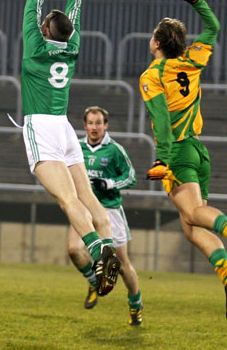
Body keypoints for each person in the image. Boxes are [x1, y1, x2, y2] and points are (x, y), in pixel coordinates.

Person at [139, 0, 227, 321]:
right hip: (198, 150)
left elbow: (161, 121)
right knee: (192, 226)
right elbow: (214, 27)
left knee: (191, 216)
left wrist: (162, 159)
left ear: (157, 44)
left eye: (152, 37)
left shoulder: (152, 75)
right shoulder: (192, 60)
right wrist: (197, 2)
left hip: (177, 153)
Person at [21, 0, 120, 296]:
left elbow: (32, 4)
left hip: (42, 127)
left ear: (45, 30)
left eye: (44, 21)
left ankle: (97, 253)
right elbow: (75, 7)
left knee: (68, 201)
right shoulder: (73, 44)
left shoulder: (35, 46)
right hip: (64, 127)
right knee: (89, 200)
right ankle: (109, 249)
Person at [67, 106, 143, 326]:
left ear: (105, 126)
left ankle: (135, 305)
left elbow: (131, 176)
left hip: (109, 210)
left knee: (121, 264)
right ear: (85, 125)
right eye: (90, 123)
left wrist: (109, 183)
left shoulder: (114, 150)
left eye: (98, 123)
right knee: (73, 250)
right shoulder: (76, 148)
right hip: (83, 209)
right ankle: (94, 281)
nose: (94, 127)